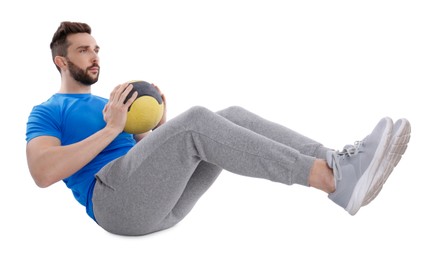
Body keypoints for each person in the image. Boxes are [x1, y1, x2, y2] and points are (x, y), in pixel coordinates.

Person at [26, 21, 411, 236]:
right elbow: (42, 173)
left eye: (96, 49)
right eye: (83, 50)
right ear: (61, 62)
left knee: (231, 114)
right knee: (196, 120)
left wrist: (157, 126)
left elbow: (141, 156)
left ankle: (338, 161)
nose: (94, 56)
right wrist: (112, 129)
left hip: (156, 205)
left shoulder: (109, 104)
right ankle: (332, 180)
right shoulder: (47, 111)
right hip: (113, 205)